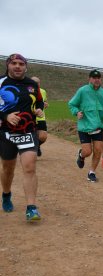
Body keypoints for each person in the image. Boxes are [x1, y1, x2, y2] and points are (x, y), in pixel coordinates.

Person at [0, 54, 44, 221]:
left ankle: (31, 207)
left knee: (29, 166)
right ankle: (6, 194)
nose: (17, 66)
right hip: (6, 132)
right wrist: (5, 116)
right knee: (8, 168)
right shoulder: (1, 82)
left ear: (26, 67)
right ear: (8, 65)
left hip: (27, 130)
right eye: (14, 63)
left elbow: (39, 101)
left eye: (21, 64)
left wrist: (38, 109)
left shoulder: (31, 84)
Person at [68, 69, 103, 182]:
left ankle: (91, 172)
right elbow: (72, 104)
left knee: (98, 150)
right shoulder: (82, 91)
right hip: (84, 127)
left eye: (98, 78)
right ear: (89, 79)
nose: (96, 80)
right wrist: (76, 112)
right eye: (94, 78)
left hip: (99, 126)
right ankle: (81, 155)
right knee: (87, 152)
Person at [30, 76, 48, 157]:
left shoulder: (43, 91)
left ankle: (36, 146)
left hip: (40, 117)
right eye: (34, 82)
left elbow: (44, 101)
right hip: (29, 118)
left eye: (38, 83)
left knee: (43, 137)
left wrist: (45, 104)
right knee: (30, 136)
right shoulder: (27, 90)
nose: (36, 84)